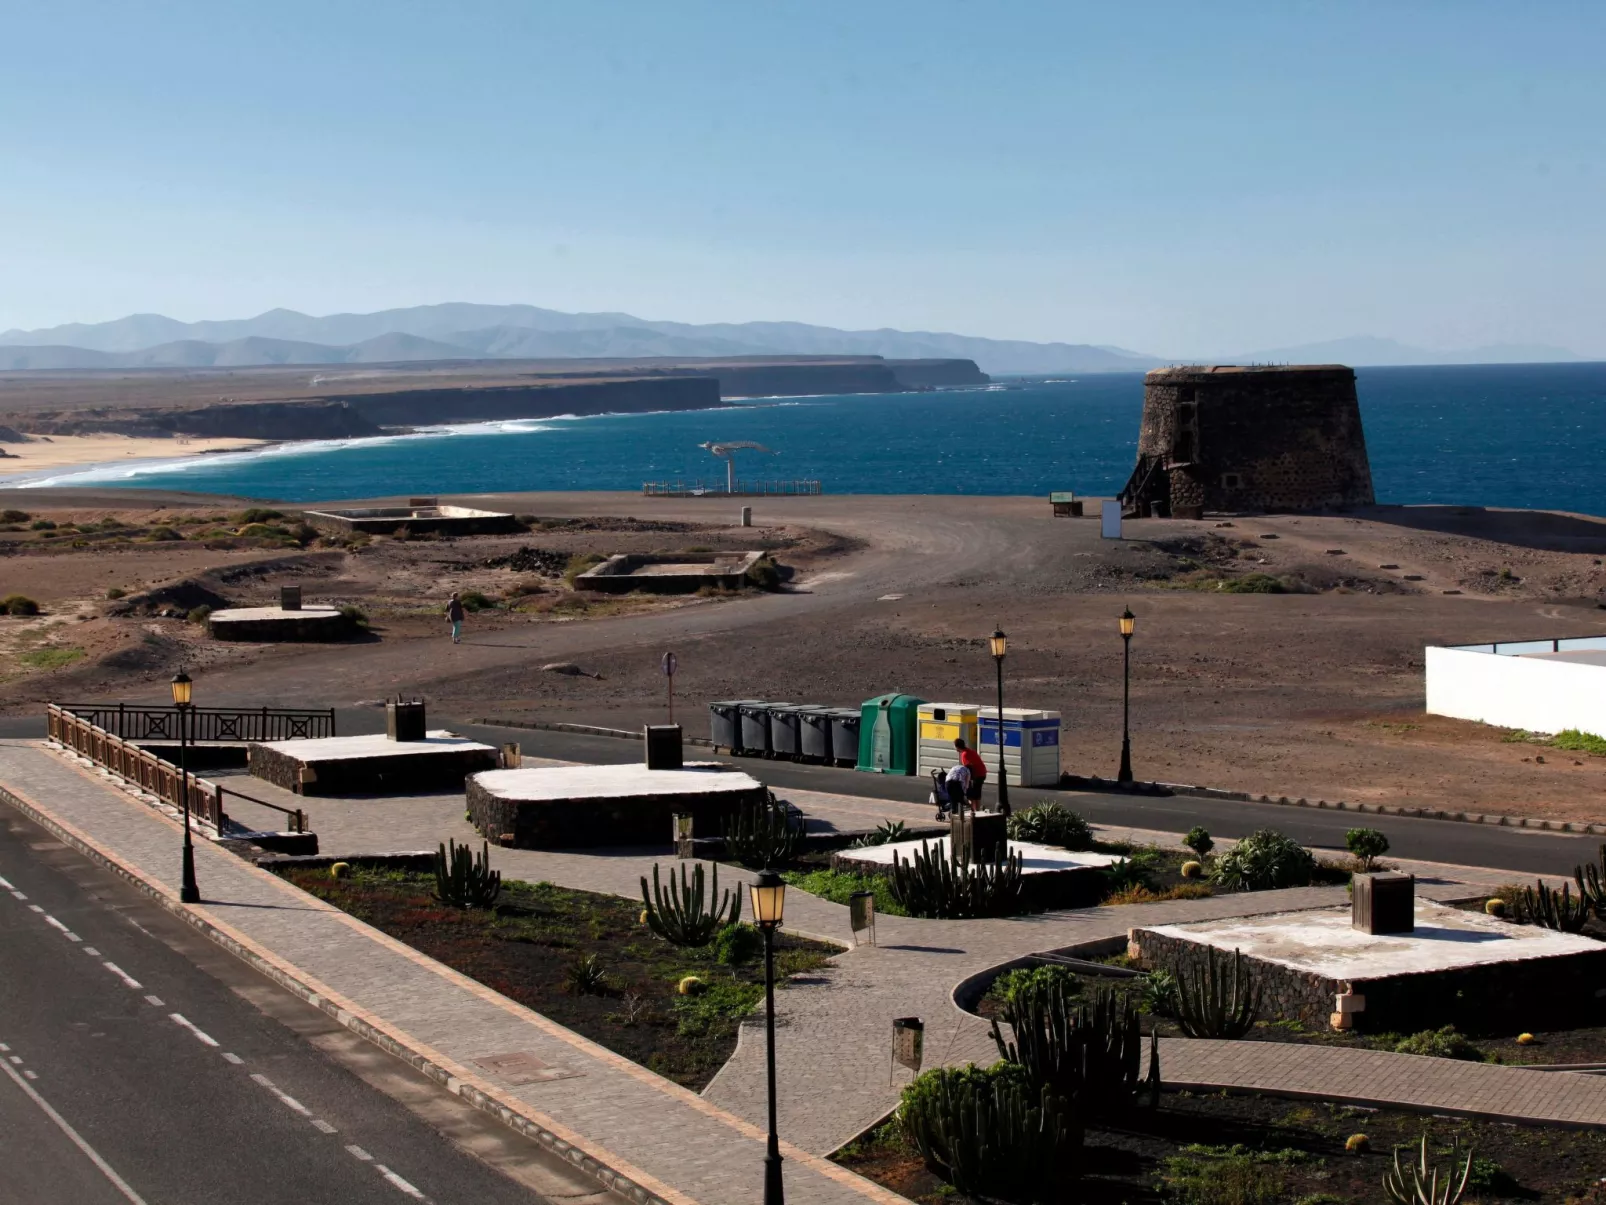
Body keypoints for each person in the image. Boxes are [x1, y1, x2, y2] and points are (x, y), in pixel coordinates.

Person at [955, 737, 987, 811]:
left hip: (976, 775)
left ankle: (974, 811)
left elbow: (968, 768)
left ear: (957, 747)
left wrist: (967, 780)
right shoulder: (970, 751)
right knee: (977, 794)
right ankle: (977, 811)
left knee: (971, 794)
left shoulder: (964, 754)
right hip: (982, 773)